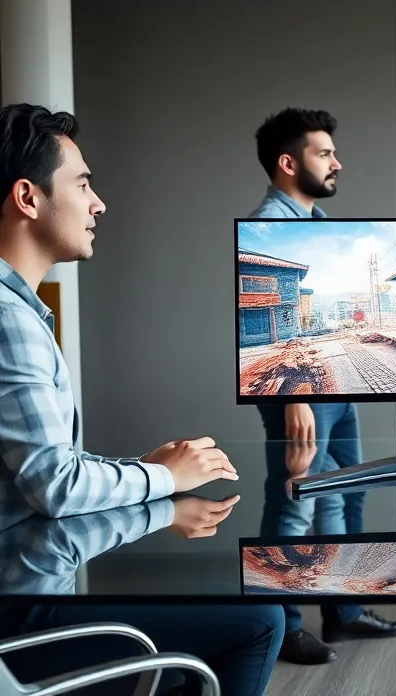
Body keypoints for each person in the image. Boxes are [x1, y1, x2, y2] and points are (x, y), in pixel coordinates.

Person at [0, 102, 284, 695]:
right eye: (82, 183)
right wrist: (164, 479)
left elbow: (39, 472)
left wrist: (148, 471)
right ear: (28, 198)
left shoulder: (19, 311)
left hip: (24, 580)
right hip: (20, 618)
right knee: (260, 618)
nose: (98, 202)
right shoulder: (9, 321)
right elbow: (55, 483)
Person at [249, 108, 396, 664]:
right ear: (288, 162)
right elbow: (277, 323)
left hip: (334, 389)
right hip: (304, 392)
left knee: (345, 494)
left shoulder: (310, 220)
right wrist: (294, 393)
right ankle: (282, 626)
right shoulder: (270, 224)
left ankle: (342, 611)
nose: (337, 162)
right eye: (324, 153)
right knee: (296, 501)